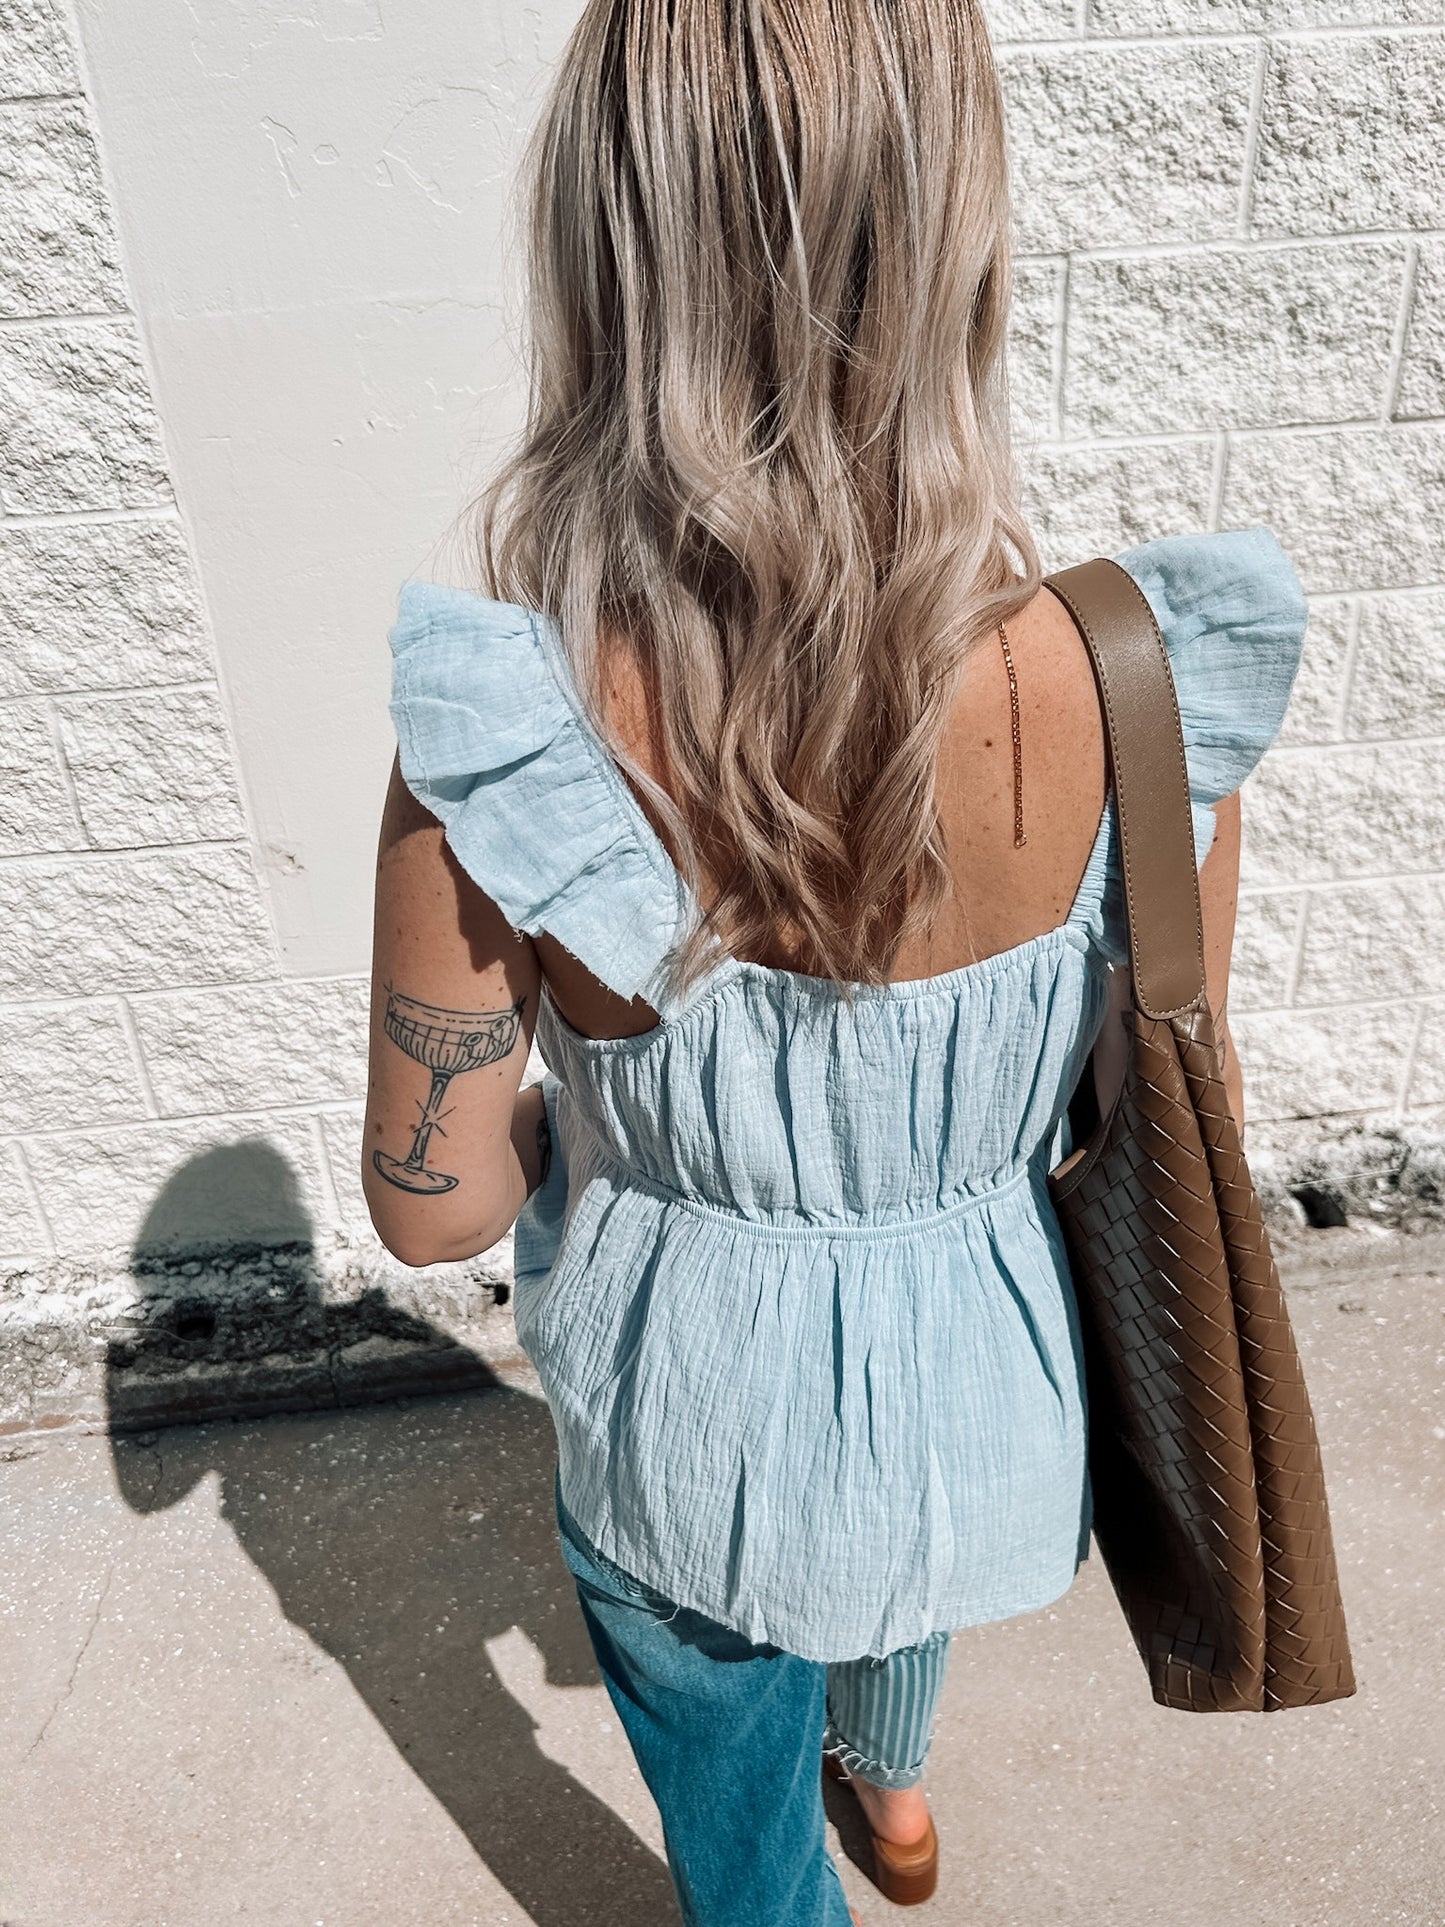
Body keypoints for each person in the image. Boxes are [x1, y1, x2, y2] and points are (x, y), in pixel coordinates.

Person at [361, 0, 1307, 1916]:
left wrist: (590, 1131)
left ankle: (802, 1864)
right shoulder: (1145, 687)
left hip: (684, 1423)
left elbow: (435, 1214)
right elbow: (1142, 1071)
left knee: (729, 1803)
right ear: (959, 227)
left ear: (602, 238)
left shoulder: (509, 715)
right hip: (979, 1390)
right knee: (897, 1552)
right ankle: (889, 1784)